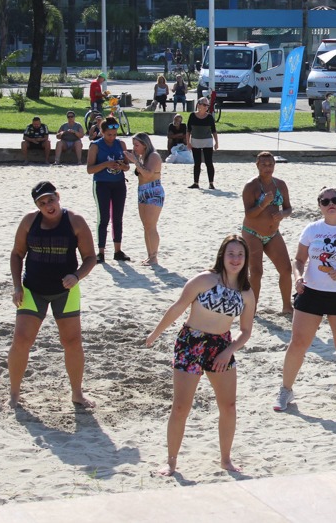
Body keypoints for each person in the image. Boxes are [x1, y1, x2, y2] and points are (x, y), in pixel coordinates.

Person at [145, 234, 255, 477]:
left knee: (228, 406)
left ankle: (226, 460)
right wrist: (155, 334)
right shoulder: (205, 280)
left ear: (246, 259)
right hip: (191, 342)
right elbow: (178, 307)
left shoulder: (246, 292)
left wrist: (229, 351)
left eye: (240, 255)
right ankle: (171, 462)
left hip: (221, 347)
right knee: (181, 406)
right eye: (231, 254)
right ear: (222, 256)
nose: (235, 259)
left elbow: (246, 331)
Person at [273, 187, 336, 412]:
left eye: (335, 200)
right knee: (298, 344)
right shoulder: (312, 229)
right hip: (311, 292)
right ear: (320, 206)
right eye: (325, 201)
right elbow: (298, 260)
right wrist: (299, 278)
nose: (330, 204)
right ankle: (285, 390)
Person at [8, 181, 96, 408]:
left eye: (51, 200)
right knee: (21, 340)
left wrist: (76, 276)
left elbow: (90, 258)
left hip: (65, 291)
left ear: (58, 197)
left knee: (72, 342)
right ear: (37, 205)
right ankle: (14, 394)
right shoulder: (29, 221)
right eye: (42, 202)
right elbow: (17, 254)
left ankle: (77, 393)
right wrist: (17, 286)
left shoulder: (75, 221)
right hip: (32, 289)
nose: (48, 206)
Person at [240, 152, 293, 314]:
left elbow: (288, 208)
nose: (267, 168)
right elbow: (249, 214)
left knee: (286, 270)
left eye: (270, 164)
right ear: (257, 165)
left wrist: (282, 215)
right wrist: (263, 204)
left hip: (273, 233)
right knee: (256, 272)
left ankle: (287, 306)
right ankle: (252, 308)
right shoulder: (251, 187)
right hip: (252, 233)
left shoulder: (280, 185)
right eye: (264, 164)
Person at [86, 116, 131, 263]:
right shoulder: (96, 146)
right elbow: (90, 169)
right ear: (102, 132)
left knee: (117, 218)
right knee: (103, 218)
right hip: (102, 184)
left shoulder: (121, 144)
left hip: (118, 184)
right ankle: (101, 252)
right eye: (109, 134)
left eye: (114, 134)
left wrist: (121, 166)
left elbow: (127, 166)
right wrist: (105, 164)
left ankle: (118, 250)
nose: (112, 137)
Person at [124, 133, 164, 266]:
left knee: (151, 226)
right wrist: (136, 159)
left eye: (137, 145)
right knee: (146, 226)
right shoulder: (142, 157)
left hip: (153, 191)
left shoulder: (154, 156)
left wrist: (135, 161)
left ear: (145, 145)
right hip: (142, 191)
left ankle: (154, 257)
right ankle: (150, 255)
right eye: (134, 145)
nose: (134, 148)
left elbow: (148, 174)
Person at [187, 98, 218, 190]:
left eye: (207, 105)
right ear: (199, 105)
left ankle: (211, 183)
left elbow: (214, 131)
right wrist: (188, 142)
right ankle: (196, 183)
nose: (206, 107)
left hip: (207, 142)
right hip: (195, 141)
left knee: (209, 162)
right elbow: (188, 130)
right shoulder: (192, 115)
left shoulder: (209, 117)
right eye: (204, 105)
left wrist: (216, 142)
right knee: (197, 163)